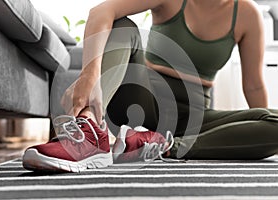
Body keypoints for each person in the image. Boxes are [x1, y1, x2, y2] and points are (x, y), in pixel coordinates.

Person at [22, 0, 278, 173]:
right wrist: (90, 75)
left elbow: (254, 86)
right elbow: (102, 12)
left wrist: (257, 133)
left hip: (196, 118)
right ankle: (88, 134)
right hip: (141, 100)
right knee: (123, 27)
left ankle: (162, 146)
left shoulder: (248, 14)